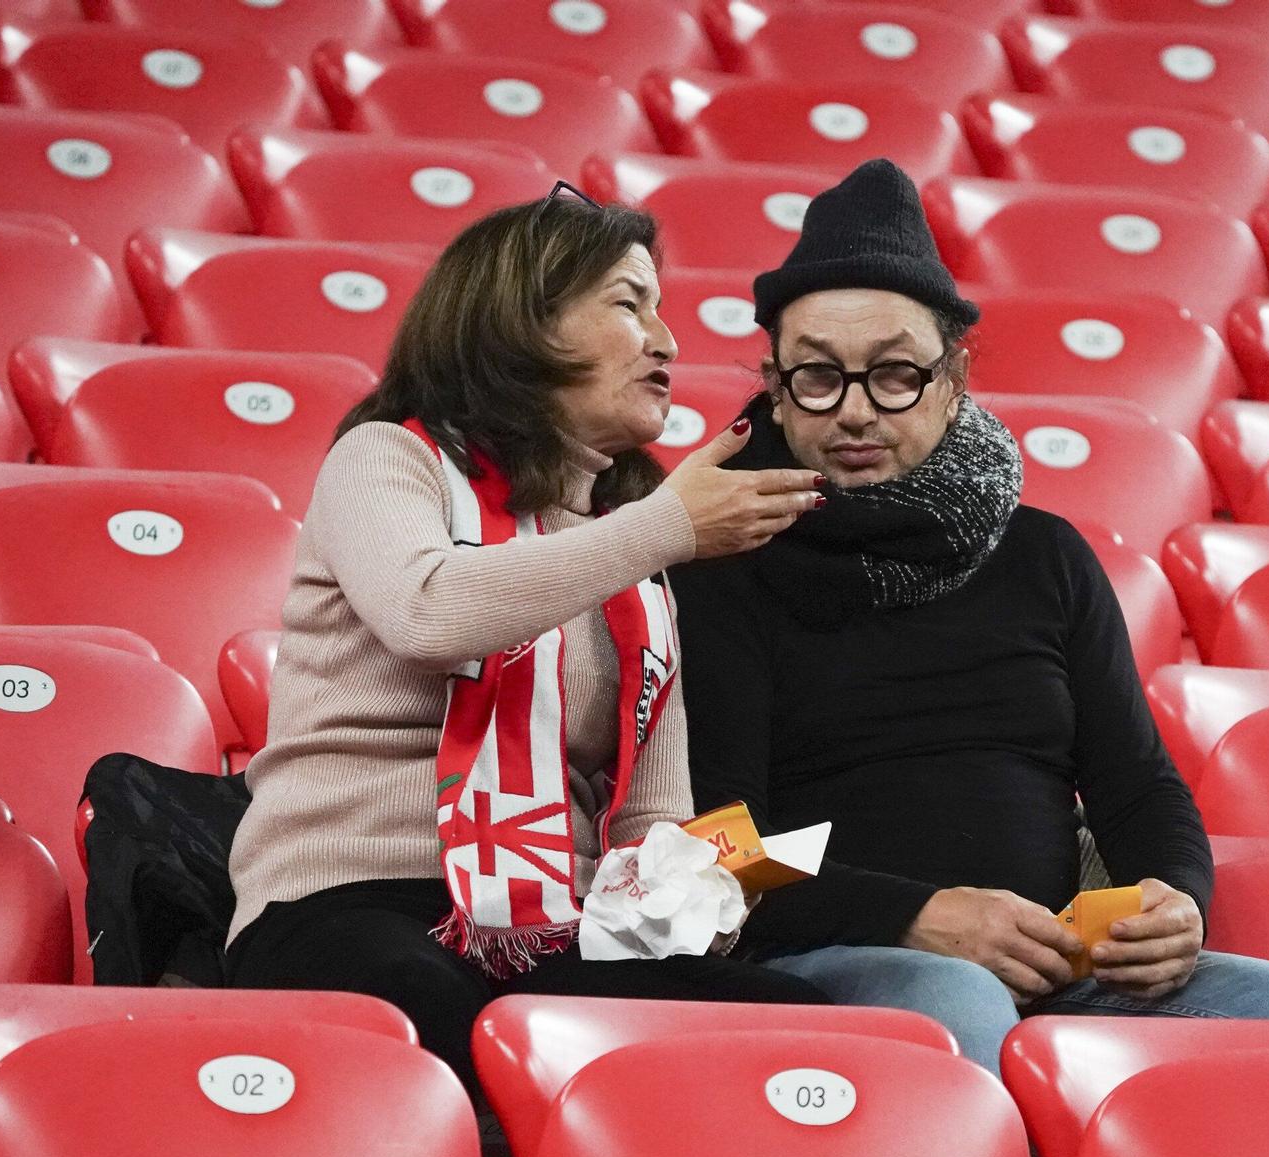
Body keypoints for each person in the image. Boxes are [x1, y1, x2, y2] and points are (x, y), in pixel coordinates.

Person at [674, 160, 1269, 1076]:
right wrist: (914, 917)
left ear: (952, 377)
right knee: (959, 998)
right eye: (816, 377)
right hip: (831, 956)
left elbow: (1137, 787)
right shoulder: (721, 560)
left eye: (893, 374)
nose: (853, 411)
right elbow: (718, 839)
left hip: (1053, 958)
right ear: (773, 382)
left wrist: (1176, 901)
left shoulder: (1045, 555)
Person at [225, 185, 831, 1086]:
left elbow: (647, 816)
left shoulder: (636, 550)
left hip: (555, 923)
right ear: (520, 323)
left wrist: (696, 900)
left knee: (803, 1034)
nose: (666, 341)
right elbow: (429, 610)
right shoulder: (388, 459)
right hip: (347, 900)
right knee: (426, 1008)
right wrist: (663, 528)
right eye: (629, 303)